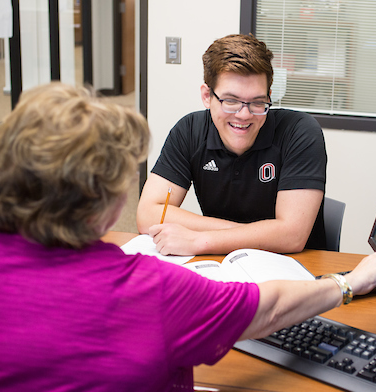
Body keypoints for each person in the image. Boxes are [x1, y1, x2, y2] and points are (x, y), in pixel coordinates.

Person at [0, 82, 376, 392]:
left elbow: (291, 233)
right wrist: (347, 283)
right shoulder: (147, 290)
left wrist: (195, 232)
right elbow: (267, 308)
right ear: (107, 204)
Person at [136, 34, 328, 256]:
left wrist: (200, 239)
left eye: (258, 102)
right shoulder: (189, 130)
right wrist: (263, 234)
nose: (244, 115)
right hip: (220, 263)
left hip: (294, 267)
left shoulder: (300, 132)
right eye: (231, 101)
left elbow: (292, 236)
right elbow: (148, 215)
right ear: (207, 96)